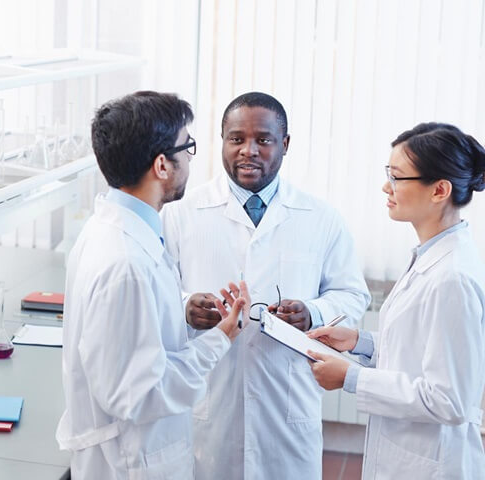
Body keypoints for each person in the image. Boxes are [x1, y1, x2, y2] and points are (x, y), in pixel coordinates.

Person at [161, 91, 370, 479]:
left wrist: (311, 313)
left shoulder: (321, 218)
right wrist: (186, 306)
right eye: (236, 139)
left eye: (264, 140)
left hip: (286, 404)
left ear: (285, 144)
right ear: (221, 141)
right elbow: (155, 294)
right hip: (209, 402)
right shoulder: (179, 214)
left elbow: (352, 295)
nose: (248, 151)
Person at [55, 90, 249, 479]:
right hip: (132, 462)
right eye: (187, 147)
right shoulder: (126, 261)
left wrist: (183, 310)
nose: (191, 158)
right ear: (162, 165)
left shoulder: (112, 229)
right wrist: (221, 339)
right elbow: (141, 394)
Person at [308, 122, 485, 479]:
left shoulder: (452, 277)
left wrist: (352, 378)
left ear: (439, 190)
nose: (386, 187)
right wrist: (361, 342)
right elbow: (420, 350)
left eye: (398, 176)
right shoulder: (431, 255)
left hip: (432, 463)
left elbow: (451, 400)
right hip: (406, 454)